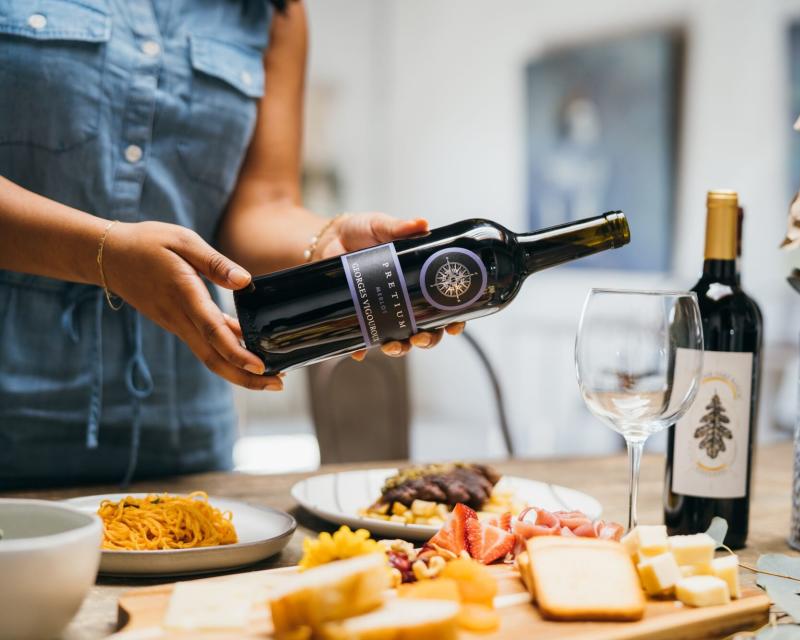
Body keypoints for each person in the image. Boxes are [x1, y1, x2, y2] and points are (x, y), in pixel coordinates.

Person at [0, 0, 460, 489]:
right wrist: (105, 253)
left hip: (183, 427)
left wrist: (326, 246)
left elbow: (261, 207)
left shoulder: (275, 12)